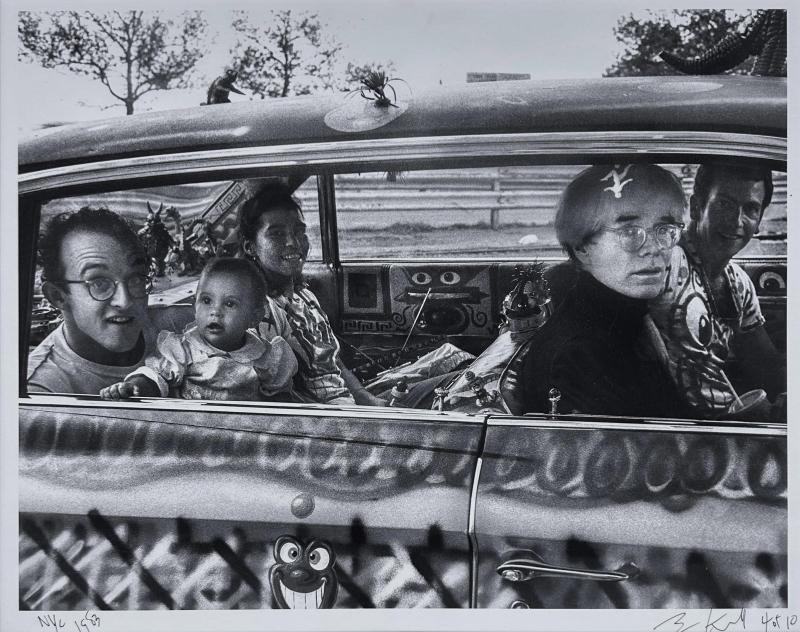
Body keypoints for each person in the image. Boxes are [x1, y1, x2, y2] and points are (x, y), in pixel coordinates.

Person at [521, 164, 691, 417]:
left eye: (665, 230)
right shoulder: (578, 355)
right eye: (630, 231)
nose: (654, 248)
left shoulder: (629, 318)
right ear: (582, 247)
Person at [649, 162, 786, 418]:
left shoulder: (739, 283)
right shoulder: (664, 263)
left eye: (751, 209)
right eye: (724, 204)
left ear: (758, 222)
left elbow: (765, 365)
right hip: (676, 430)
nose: (736, 221)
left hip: (727, 425)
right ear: (697, 207)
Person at [237, 182, 385, 406]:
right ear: (250, 247)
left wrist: (366, 398)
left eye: (299, 231)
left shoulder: (305, 297)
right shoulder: (261, 313)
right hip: (329, 416)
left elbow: (334, 364)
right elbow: (282, 396)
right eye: (276, 234)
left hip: (350, 400)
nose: (293, 242)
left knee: (452, 360)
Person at [100, 257, 297, 401]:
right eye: (206, 300)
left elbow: (281, 402)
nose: (215, 312)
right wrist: (134, 387)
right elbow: (155, 378)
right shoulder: (182, 350)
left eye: (229, 304)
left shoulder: (266, 357)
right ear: (195, 304)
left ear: (254, 317)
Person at [28, 207, 155, 394]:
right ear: (58, 296)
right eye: (98, 282)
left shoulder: (179, 326)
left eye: (136, 278)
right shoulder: (41, 389)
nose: (125, 301)